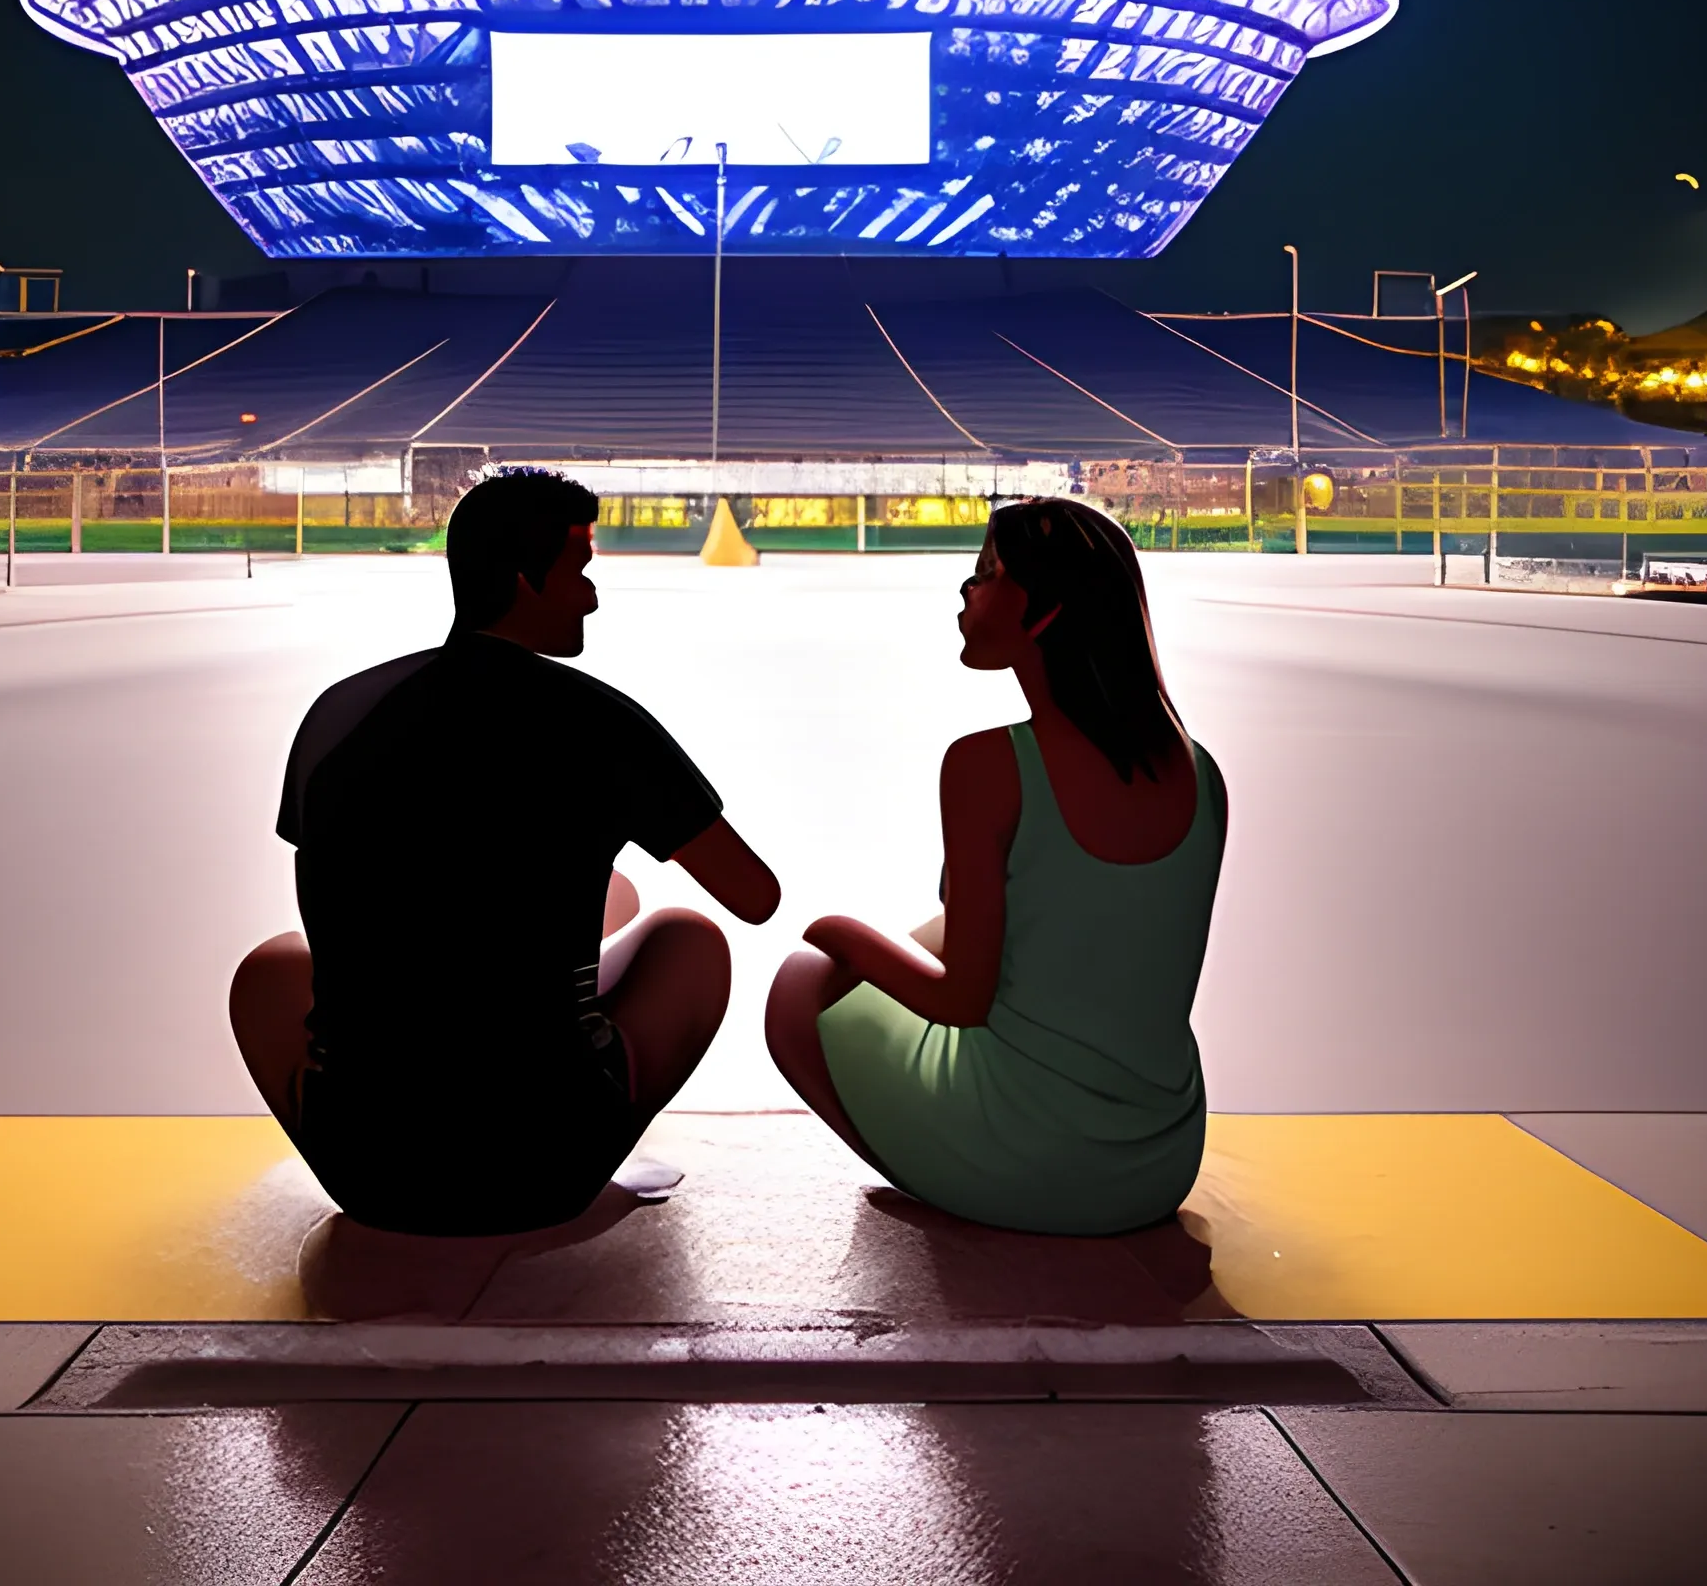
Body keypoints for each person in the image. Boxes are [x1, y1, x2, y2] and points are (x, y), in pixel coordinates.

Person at [232, 467, 779, 1260]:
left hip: (371, 1168)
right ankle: (603, 1140)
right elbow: (753, 896)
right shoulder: (599, 721)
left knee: (271, 967)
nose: (591, 597)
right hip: (542, 1167)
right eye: (581, 572)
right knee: (689, 938)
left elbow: (339, 898)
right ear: (525, 579)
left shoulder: (341, 711)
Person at [764, 497, 1226, 1234]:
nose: (966, 590)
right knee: (947, 929)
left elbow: (961, 1003)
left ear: (1044, 612)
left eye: (987, 574)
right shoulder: (1201, 772)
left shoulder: (988, 765)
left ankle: (946, 1175)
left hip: (1029, 1158)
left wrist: (841, 931)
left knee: (799, 986)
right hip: (1160, 1163)